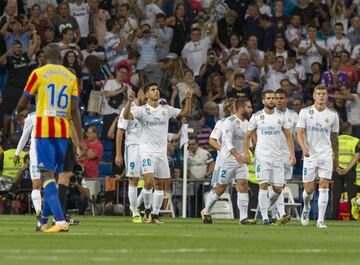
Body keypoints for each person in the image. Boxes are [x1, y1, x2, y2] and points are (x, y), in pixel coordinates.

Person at [15, 43, 85, 233]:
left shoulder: (39, 73)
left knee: (46, 175)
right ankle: (42, 221)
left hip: (45, 130)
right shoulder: (71, 77)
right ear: (61, 57)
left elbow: (23, 101)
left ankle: (60, 221)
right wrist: (81, 139)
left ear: (45, 56)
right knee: (54, 176)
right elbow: (75, 110)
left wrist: (18, 111)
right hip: (63, 132)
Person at [123, 83, 192, 224]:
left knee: (161, 185)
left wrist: (188, 99)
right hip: (147, 151)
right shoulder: (142, 110)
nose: (156, 91)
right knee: (148, 182)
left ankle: (154, 215)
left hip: (161, 153)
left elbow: (184, 113)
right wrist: (129, 101)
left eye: (157, 89)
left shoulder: (166, 109)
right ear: (147, 94)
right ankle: (147, 210)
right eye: (153, 90)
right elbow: (127, 116)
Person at [243, 90, 296, 225]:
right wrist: (245, 153)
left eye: (273, 98)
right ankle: (266, 216)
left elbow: (289, 136)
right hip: (262, 157)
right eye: (269, 98)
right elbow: (247, 136)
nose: (272, 100)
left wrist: (292, 154)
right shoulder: (256, 117)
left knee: (278, 189)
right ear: (263, 101)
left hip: (278, 157)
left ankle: (269, 210)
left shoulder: (281, 117)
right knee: (264, 185)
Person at [202, 98, 257, 225]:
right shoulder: (228, 122)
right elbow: (227, 142)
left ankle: (243, 218)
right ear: (241, 108)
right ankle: (206, 211)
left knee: (243, 184)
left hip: (240, 159)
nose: (251, 109)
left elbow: (246, 142)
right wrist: (237, 155)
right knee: (220, 188)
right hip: (228, 160)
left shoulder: (247, 123)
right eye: (248, 107)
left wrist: (251, 152)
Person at [297, 85, 339, 229]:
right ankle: (306, 207)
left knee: (324, 185)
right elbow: (300, 133)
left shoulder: (333, 115)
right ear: (314, 96)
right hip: (310, 155)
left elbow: (334, 138)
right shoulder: (305, 112)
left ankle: (320, 220)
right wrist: (304, 149)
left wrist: (336, 156)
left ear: (327, 97)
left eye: (324, 94)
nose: (321, 96)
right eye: (319, 93)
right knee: (308, 189)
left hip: (326, 154)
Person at [115, 90, 146, 224]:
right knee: (133, 179)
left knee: (152, 180)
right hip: (132, 147)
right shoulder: (127, 110)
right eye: (147, 95)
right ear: (140, 95)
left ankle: (136, 205)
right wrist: (118, 153)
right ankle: (134, 212)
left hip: (147, 148)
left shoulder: (148, 110)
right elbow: (120, 132)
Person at [272, 88, 299, 224]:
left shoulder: (294, 116)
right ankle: (281, 214)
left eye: (281, 98)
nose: (278, 101)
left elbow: (297, 135)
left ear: (287, 99)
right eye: (276, 98)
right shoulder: (270, 115)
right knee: (277, 185)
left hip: (288, 154)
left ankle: (271, 211)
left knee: (281, 185)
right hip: (274, 154)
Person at [13, 111, 42, 218]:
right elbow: (25, 135)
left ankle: (56, 214)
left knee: (51, 183)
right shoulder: (32, 117)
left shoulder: (53, 115)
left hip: (49, 154)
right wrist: (17, 153)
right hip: (35, 155)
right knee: (36, 184)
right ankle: (39, 213)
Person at [331, 123, 359, 220]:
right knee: (351, 194)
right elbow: (357, 156)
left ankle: (334, 217)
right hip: (350, 171)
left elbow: (331, 155)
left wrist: (336, 167)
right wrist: (347, 169)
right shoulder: (355, 141)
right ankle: (351, 217)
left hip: (337, 170)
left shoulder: (335, 140)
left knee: (336, 194)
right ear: (350, 130)